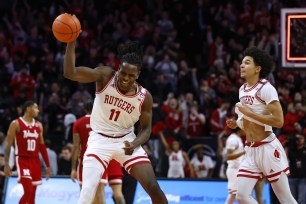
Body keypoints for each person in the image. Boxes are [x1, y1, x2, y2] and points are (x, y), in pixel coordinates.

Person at [64, 40, 168, 204]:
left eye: (131, 75)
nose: (125, 78)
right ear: (118, 69)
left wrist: (134, 144)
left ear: (138, 75)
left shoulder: (144, 97)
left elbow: (146, 129)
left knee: (154, 188)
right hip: (99, 140)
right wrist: (71, 43)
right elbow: (70, 73)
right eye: (123, 73)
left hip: (126, 141)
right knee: (86, 194)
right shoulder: (105, 76)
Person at [226, 47, 297, 203]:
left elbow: (279, 121)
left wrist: (248, 113)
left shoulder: (266, 88)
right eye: (242, 63)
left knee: (285, 199)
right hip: (250, 150)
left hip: (268, 148)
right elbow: (247, 121)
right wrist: (237, 123)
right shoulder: (242, 90)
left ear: (257, 68)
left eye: (247, 63)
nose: (241, 66)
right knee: (242, 196)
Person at [71, 99, 125, 204]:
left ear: (84, 109)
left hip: (89, 160)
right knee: (116, 195)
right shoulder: (106, 121)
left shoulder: (78, 123)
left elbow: (76, 146)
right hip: (108, 158)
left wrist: (73, 168)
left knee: (87, 196)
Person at [4, 101, 51, 203]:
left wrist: (48, 166)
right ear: (28, 109)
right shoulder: (15, 123)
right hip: (22, 160)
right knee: (28, 191)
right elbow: (8, 145)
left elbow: (42, 147)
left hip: (35, 161)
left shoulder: (39, 125)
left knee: (32, 195)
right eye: (35, 108)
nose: (38, 111)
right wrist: (6, 164)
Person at [224, 127, 245, 204]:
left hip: (238, 169)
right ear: (240, 129)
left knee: (237, 194)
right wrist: (243, 152)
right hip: (234, 169)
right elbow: (229, 156)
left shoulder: (238, 138)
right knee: (235, 194)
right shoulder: (232, 139)